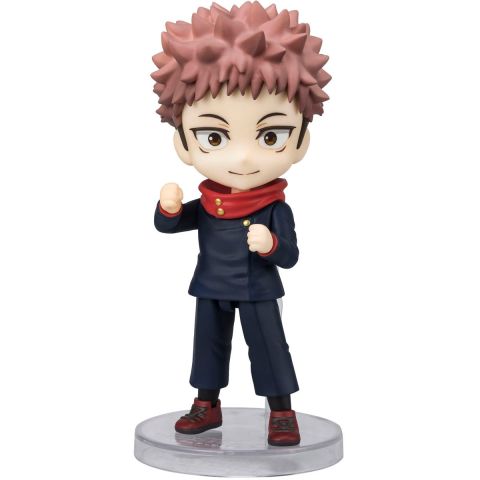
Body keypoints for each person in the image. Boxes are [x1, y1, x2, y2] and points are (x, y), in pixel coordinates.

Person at [151, 1, 330, 446]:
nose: (245, 157)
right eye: (214, 136)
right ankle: (206, 403)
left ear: (301, 141)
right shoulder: (210, 202)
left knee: (269, 348)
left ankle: (281, 411)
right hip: (211, 285)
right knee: (207, 347)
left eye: (271, 136)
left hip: (257, 289)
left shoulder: (274, 207)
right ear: (184, 144)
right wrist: (169, 208)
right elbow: (172, 226)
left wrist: (270, 244)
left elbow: (290, 255)